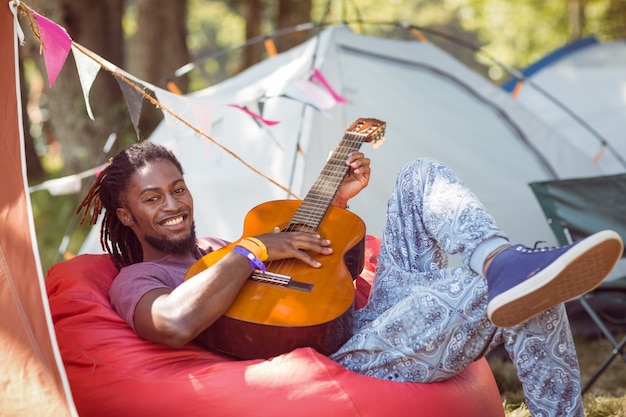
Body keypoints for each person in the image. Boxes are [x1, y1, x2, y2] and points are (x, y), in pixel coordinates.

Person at [77, 140, 622, 417]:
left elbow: (311, 277)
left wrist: (332, 205)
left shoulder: (219, 244)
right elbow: (172, 322)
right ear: (126, 215)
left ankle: (499, 255)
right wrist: (258, 248)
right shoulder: (139, 277)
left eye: (178, 188)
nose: (172, 204)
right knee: (497, 291)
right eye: (152, 198)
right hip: (345, 359)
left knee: (419, 175)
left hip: (360, 321)